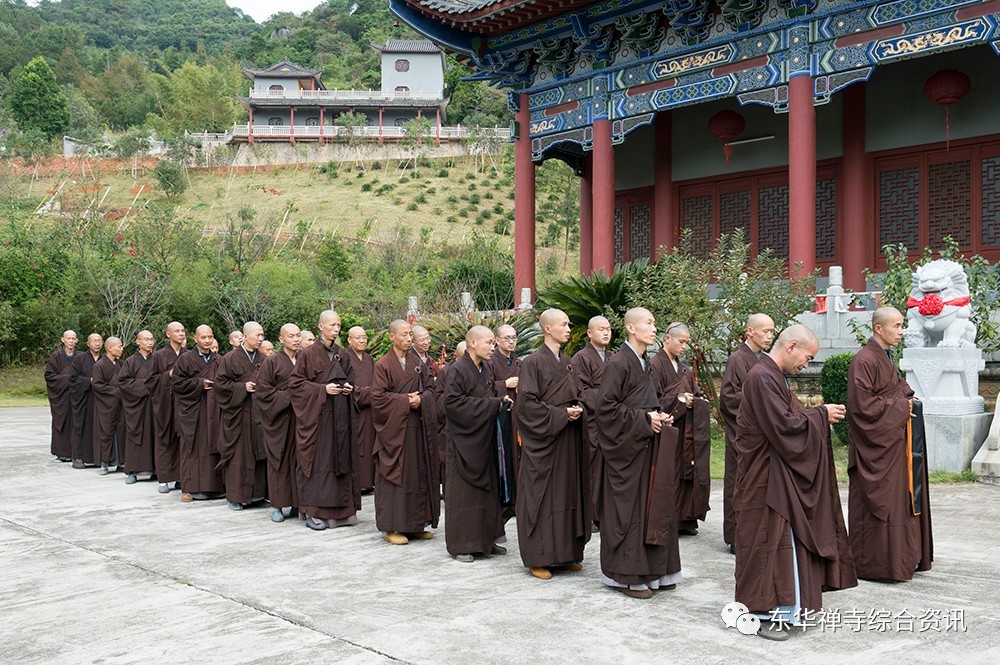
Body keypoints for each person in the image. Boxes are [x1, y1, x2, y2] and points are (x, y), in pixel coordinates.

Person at [736, 324, 857, 640]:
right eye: (808, 356)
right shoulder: (761, 377)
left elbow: (789, 419)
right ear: (791, 346)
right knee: (767, 543)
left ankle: (787, 608)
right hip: (764, 479)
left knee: (784, 545)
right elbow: (785, 428)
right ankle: (763, 614)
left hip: (778, 475)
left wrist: (818, 415)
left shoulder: (772, 376)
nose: (808, 363)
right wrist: (819, 415)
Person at [595, 307, 680, 599]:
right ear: (631, 328)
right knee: (630, 513)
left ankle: (655, 572)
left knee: (652, 508)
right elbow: (605, 410)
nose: (654, 328)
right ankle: (627, 576)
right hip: (626, 453)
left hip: (645, 447)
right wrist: (644, 420)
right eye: (648, 323)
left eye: (655, 322)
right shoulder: (618, 363)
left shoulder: (645, 364)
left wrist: (659, 416)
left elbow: (645, 402)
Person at [847, 307, 933, 582]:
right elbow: (861, 407)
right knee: (884, 501)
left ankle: (903, 557)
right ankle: (876, 565)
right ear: (878, 329)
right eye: (895, 326)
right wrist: (899, 408)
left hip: (896, 444)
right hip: (877, 448)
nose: (900, 331)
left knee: (903, 499)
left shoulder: (884, 356)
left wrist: (908, 401)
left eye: (901, 325)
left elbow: (897, 391)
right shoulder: (864, 360)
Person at [515, 309, 591, 580]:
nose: (569, 328)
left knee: (567, 494)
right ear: (547, 328)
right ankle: (539, 556)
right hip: (544, 443)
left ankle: (565, 553)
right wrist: (561, 414)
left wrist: (579, 407)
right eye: (563, 324)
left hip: (567, 441)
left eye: (569, 323)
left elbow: (579, 393)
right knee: (542, 497)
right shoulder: (533, 363)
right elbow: (527, 406)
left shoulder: (568, 362)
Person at [288, 310, 360, 531]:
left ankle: (343, 512)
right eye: (332, 325)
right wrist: (322, 389)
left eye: (339, 325)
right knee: (319, 462)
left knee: (341, 460)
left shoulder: (342, 353)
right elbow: (295, 384)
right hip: (318, 418)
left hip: (340, 417)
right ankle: (313, 511)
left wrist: (349, 387)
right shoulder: (308, 354)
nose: (336, 329)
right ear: (320, 327)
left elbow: (351, 379)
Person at [371, 319, 440, 544]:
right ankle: (393, 526)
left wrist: (421, 399)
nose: (409, 338)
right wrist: (403, 401)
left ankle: (415, 524)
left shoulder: (418, 363)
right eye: (404, 334)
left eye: (410, 334)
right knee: (396, 475)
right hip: (394, 432)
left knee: (417, 474)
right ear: (392, 337)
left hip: (416, 428)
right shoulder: (383, 365)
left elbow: (432, 390)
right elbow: (377, 399)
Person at [443, 328, 507, 562]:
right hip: (463, 440)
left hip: (483, 437)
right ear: (472, 343)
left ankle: (485, 540)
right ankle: (461, 545)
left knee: (487, 490)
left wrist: (498, 403)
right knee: (463, 493)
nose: (493, 347)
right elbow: (452, 404)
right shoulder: (457, 370)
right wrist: (491, 405)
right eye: (489, 342)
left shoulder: (486, 368)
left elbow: (487, 395)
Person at [649, 323, 711, 536]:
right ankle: (669, 520)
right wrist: (682, 401)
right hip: (667, 429)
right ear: (667, 339)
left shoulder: (685, 368)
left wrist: (696, 402)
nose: (685, 346)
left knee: (687, 473)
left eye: (687, 342)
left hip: (687, 431)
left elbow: (695, 394)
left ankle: (686, 519)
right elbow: (653, 399)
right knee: (669, 475)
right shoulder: (655, 365)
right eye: (681, 341)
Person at [720, 314, 774, 554]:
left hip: (760, 433)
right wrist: (761, 403)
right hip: (742, 433)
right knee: (737, 481)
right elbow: (729, 399)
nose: (769, 336)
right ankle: (735, 535)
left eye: (772, 332)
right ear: (750, 331)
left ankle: (754, 532)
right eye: (765, 331)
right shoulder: (737, 359)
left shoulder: (763, 360)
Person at [214, 322, 268, 511]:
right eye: (257, 335)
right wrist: (241, 388)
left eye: (262, 335)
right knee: (239, 455)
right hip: (239, 414)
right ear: (245, 337)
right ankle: (236, 496)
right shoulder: (229, 359)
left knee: (261, 452)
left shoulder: (265, 358)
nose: (261, 339)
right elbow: (219, 385)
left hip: (260, 413)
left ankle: (259, 494)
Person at [255, 323, 302, 523]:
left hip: (301, 419)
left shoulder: (305, 359)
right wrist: (290, 397)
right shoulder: (271, 362)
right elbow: (263, 392)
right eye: (291, 336)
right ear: (281, 340)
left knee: (300, 461)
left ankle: (298, 504)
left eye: (298, 335)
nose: (296, 339)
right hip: (279, 420)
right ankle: (277, 504)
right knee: (279, 460)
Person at [172, 325, 225, 502]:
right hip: (193, 411)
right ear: (195, 339)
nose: (207, 340)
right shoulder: (185, 359)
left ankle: (215, 487)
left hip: (214, 410)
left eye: (210, 337)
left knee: (214, 445)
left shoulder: (218, 359)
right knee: (192, 447)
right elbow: (177, 384)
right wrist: (199, 383)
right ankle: (190, 488)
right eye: (203, 337)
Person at [571, 316, 614, 530]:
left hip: (612, 422)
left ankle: (605, 511)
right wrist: (609, 400)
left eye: (608, 329)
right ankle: (591, 513)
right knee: (592, 466)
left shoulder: (613, 357)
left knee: (609, 467)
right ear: (589, 333)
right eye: (601, 329)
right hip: (593, 421)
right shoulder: (580, 358)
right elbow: (582, 391)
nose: (606, 333)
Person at [488, 323, 520, 526]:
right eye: (507, 338)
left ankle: (516, 500)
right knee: (502, 456)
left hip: (517, 416)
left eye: (514, 337)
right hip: (499, 416)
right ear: (497, 341)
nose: (511, 341)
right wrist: (504, 385)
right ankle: (503, 499)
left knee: (516, 456)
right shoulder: (491, 362)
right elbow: (485, 386)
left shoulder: (519, 362)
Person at [149, 322, 186, 494]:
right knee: (164, 439)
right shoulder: (158, 356)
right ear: (168, 334)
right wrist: (167, 375)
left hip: (185, 404)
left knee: (183, 440)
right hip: (165, 403)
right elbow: (150, 381)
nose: (180, 334)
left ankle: (181, 477)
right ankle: (163, 479)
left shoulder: (188, 355)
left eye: (182, 331)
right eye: (177, 331)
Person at [116, 330, 157, 484]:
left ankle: (156, 470)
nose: (149, 342)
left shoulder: (157, 359)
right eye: (146, 339)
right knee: (136, 435)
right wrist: (147, 385)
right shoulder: (131, 361)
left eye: (151, 339)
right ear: (138, 342)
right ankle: (132, 471)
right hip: (137, 406)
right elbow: (123, 382)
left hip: (154, 405)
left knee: (155, 436)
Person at [346, 326, 377, 493]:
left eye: (364, 337)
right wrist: (370, 392)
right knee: (356, 445)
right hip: (353, 410)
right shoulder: (344, 358)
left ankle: (368, 481)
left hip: (371, 411)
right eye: (358, 337)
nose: (362, 340)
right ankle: (357, 482)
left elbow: (378, 384)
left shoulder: (370, 359)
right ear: (349, 340)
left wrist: (374, 393)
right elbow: (347, 387)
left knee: (370, 443)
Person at [434, 340, 466, 494]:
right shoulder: (446, 371)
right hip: (450, 424)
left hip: (471, 425)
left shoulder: (481, 369)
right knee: (449, 460)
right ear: (456, 356)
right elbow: (440, 399)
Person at [92, 336, 125, 474]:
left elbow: (125, 381)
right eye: (119, 346)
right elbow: (97, 385)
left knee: (121, 431)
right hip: (105, 405)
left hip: (120, 405)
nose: (122, 349)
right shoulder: (99, 365)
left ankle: (120, 461)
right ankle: (104, 463)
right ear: (110, 348)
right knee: (105, 433)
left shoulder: (121, 364)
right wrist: (116, 391)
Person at [44, 330, 79, 462]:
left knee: (77, 423)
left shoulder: (80, 356)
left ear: (77, 341)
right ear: (62, 340)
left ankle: (76, 451)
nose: (71, 341)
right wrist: (70, 379)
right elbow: (49, 376)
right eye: (68, 338)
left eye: (73, 338)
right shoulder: (56, 357)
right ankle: (62, 453)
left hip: (77, 397)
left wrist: (76, 381)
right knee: (61, 422)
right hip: (61, 398)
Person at [69, 333, 103, 468]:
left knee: (101, 427)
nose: (97, 343)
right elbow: (72, 379)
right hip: (84, 399)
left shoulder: (105, 359)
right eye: (94, 341)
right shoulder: (79, 359)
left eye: (100, 341)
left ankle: (100, 458)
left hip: (101, 400)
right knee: (82, 426)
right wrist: (89, 381)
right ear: (88, 344)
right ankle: (78, 457)